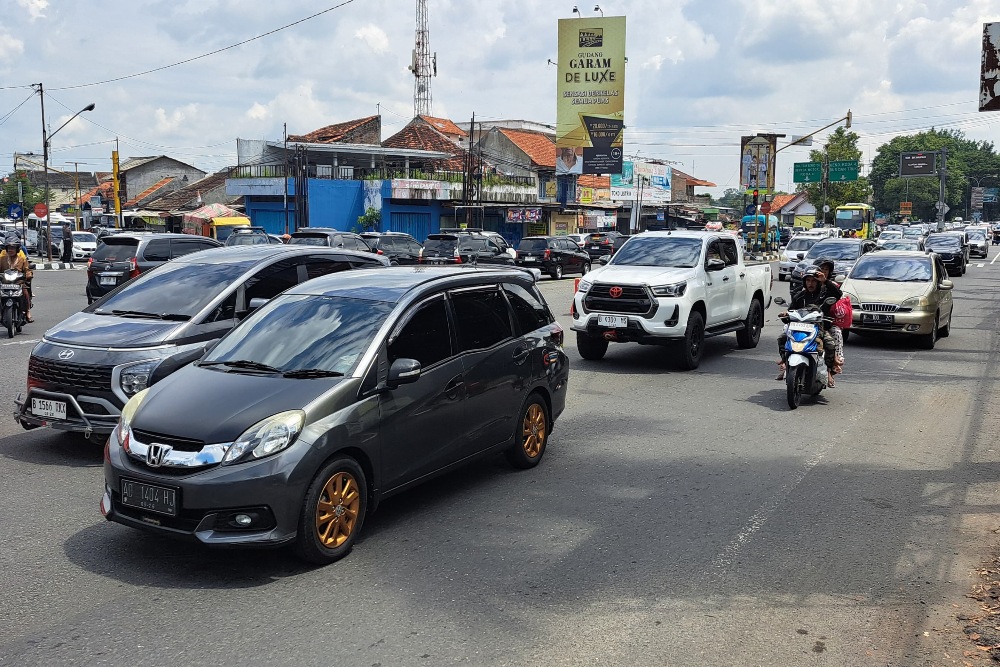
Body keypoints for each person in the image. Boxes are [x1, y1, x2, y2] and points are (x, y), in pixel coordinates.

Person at [775, 266, 842, 385]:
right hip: (798, 328)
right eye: (808, 280)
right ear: (804, 282)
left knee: (830, 344)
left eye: (813, 281)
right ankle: (786, 362)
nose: (810, 284)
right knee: (782, 338)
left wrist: (825, 280)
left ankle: (828, 371)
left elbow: (838, 294)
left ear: (818, 282)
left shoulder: (824, 294)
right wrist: (786, 314)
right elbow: (790, 312)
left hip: (818, 328)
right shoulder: (799, 296)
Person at [0, 233, 33, 322]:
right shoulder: (2, 259)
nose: (10, 250)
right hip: (4, 284)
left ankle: (27, 312)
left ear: (17, 249)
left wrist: (28, 274)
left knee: (25, 293)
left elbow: (27, 269)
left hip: (18, 283)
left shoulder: (22, 260)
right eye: (9, 248)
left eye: (13, 248)